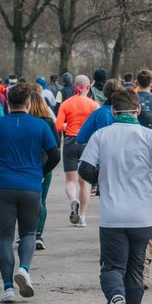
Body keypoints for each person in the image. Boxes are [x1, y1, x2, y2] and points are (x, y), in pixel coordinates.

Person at [78, 89, 152, 304]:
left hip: (112, 216)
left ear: (112, 111)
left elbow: (85, 169)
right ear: (138, 110)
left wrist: (100, 180)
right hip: (142, 216)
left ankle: (115, 297)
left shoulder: (101, 135)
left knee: (111, 267)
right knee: (135, 271)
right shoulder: (149, 136)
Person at [0, 83, 60, 303]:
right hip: (30, 185)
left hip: (4, 186)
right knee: (28, 233)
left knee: (5, 237)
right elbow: (55, 155)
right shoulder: (40, 126)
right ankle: (25, 269)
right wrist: (41, 172)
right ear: (29, 103)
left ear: (8, 103)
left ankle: (8, 288)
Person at [55, 75, 100, 227]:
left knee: (71, 181)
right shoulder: (94, 105)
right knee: (85, 183)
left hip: (70, 142)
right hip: (87, 144)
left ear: (75, 86)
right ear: (88, 87)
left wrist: (69, 127)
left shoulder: (66, 104)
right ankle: (82, 217)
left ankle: (73, 200)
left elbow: (58, 125)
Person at [29, 88, 60, 250]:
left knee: (27, 201)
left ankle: (27, 233)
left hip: (28, 165)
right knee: (42, 200)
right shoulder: (48, 122)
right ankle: (38, 235)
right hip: (45, 164)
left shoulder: (26, 122)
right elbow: (56, 145)